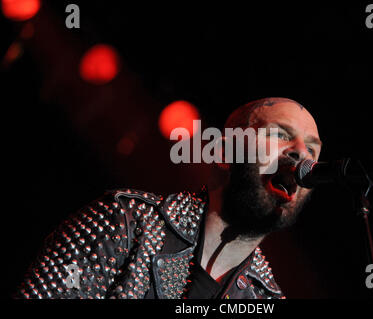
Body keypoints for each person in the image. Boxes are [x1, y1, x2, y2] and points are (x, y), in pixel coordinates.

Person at [16, 97, 322, 299]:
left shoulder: (264, 298)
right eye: (280, 134)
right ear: (225, 153)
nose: (301, 153)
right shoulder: (127, 222)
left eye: (313, 148)